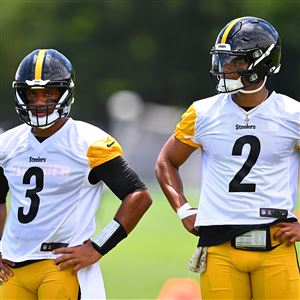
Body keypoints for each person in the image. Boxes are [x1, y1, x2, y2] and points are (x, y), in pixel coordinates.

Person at [155, 16, 300, 299]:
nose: (226, 69)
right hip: (220, 247)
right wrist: (184, 210)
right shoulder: (203, 112)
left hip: (275, 243)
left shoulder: (292, 114)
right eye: (224, 60)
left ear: (261, 65)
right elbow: (166, 162)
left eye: (236, 62)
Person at [0, 49, 152, 300]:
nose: (40, 102)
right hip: (13, 268)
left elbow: (138, 195)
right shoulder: (7, 144)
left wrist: (98, 246)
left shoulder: (88, 142)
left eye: (48, 92)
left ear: (64, 93)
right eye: (32, 93)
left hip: (59, 264)